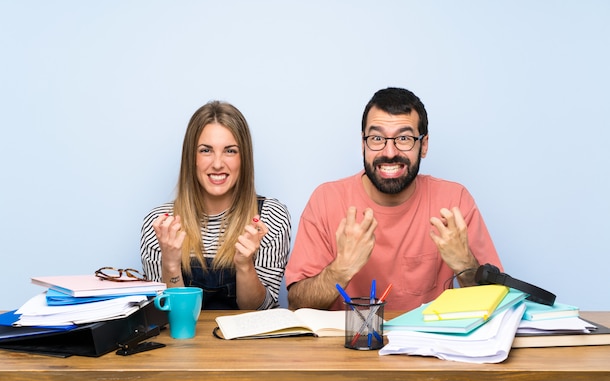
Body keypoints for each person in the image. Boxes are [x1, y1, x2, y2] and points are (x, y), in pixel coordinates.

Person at [285, 87, 503, 311]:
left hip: (427, 343)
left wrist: (465, 264)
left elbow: (497, 304)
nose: (389, 152)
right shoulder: (326, 200)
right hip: (346, 344)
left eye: (404, 138)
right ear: (363, 144)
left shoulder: (453, 201)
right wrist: (342, 268)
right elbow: (297, 304)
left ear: (424, 145)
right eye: (377, 138)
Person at [141, 101, 291, 310]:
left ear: (244, 159)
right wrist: (171, 263)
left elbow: (262, 311)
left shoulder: (270, 216)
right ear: (191, 158)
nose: (218, 163)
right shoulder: (160, 224)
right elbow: (167, 316)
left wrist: (245, 265)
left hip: (247, 342)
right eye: (206, 151)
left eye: (230, 151)